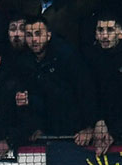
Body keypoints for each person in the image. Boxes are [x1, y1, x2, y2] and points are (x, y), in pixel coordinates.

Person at [17, 16, 96, 146]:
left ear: (48, 35)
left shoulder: (67, 56)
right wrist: (37, 127)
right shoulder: (25, 62)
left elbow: (86, 91)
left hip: (77, 132)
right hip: (50, 131)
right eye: (29, 35)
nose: (34, 39)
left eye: (38, 34)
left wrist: (90, 127)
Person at [84, 12, 122, 156]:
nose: (104, 36)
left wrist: (115, 132)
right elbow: (86, 94)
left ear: (120, 33)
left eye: (110, 30)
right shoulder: (89, 59)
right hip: (99, 133)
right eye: (100, 30)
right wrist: (96, 121)